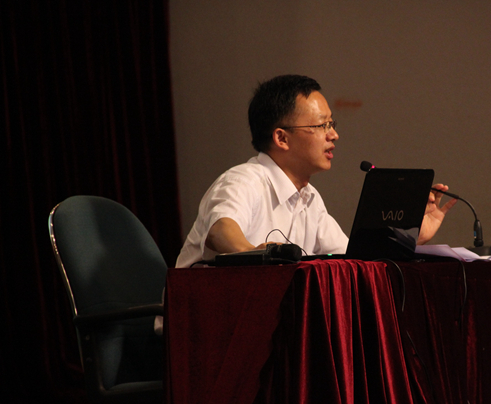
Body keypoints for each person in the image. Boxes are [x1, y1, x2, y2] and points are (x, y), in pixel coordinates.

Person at [175, 75, 456, 268]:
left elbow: (353, 261)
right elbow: (219, 231)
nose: (333, 135)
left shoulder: (309, 198)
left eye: (332, 124)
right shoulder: (243, 180)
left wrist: (406, 238)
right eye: (322, 126)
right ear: (281, 138)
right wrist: (257, 254)